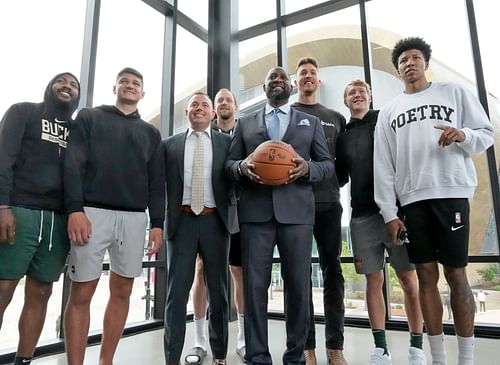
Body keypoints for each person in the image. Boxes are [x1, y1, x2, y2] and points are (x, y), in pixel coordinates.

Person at [373, 37, 494, 365]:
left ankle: (466, 358)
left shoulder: (453, 93)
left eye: (414, 58)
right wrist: (388, 212)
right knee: (425, 276)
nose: (409, 64)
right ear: (398, 71)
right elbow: (383, 166)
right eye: (402, 61)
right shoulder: (389, 112)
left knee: (457, 275)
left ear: (425, 63)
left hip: (451, 193)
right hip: (412, 202)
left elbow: (486, 132)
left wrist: (463, 135)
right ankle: (438, 358)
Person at [226, 66, 334, 365]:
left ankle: (295, 356)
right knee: (254, 287)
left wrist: (308, 168)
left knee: (299, 286)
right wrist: (241, 167)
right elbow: (229, 165)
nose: (277, 81)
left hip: (297, 215)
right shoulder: (245, 123)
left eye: (282, 78)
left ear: (292, 86)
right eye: (271, 78)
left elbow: (327, 165)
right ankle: (258, 356)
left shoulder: (310, 123)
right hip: (256, 215)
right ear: (264, 88)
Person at [63, 67, 165, 365]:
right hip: (91, 214)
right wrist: (74, 210)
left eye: (136, 83)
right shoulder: (90, 117)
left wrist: (157, 224)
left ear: (142, 93)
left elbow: (157, 184)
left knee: (122, 290)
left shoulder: (151, 133)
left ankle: (106, 361)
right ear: (115, 87)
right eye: (125, 82)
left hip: (134, 218)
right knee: (82, 291)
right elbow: (72, 165)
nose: (130, 86)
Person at [336, 79, 426, 365]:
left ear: (370, 97)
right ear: (346, 102)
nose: (357, 95)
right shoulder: (343, 136)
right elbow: (339, 178)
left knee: (408, 280)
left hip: (396, 214)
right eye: (352, 93)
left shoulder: (386, 120)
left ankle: (416, 348)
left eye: (362, 91)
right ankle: (381, 348)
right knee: (373, 281)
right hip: (361, 217)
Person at [0, 72, 80, 365]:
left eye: (73, 85)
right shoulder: (23, 112)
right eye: (62, 81)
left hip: (58, 220)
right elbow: (3, 159)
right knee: (4, 287)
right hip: (20, 211)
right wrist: (2, 207)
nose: (67, 87)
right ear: (50, 87)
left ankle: (24, 359)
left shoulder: (76, 130)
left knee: (42, 291)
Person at [162, 92, 238, 365]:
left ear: (213, 114)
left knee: (219, 293)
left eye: (205, 105)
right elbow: (159, 189)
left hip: (215, 223)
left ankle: (219, 356)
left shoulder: (227, 143)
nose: (199, 108)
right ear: (187, 113)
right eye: (193, 104)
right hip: (181, 224)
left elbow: (235, 178)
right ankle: (171, 358)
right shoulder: (169, 145)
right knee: (176, 294)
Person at [291, 57, 348, 365]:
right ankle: (307, 346)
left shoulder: (335, 117)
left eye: (313, 72)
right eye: (303, 73)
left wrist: (328, 184)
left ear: (319, 81)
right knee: (299, 276)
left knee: (333, 272)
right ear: (295, 81)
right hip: (295, 205)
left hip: (328, 204)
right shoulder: (287, 114)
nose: (308, 77)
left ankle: (335, 347)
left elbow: (342, 165)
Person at [186, 88, 246, 364]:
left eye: (227, 99)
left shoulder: (244, 134)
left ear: (235, 106)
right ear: (213, 111)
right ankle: (199, 341)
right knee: (201, 271)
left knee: (238, 272)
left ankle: (243, 339)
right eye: (218, 99)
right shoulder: (204, 139)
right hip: (210, 216)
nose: (223, 103)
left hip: (240, 213)